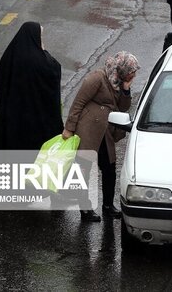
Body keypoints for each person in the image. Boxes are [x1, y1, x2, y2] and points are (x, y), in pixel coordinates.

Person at [62, 51, 140, 222]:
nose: (134, 74)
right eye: (131, 70)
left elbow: (123, 107)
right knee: (84, 169)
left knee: (109, 167)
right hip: (88, 129)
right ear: (122, 68)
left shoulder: (120, 82)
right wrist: (69, 128)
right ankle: (85, 208)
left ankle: (108, 206)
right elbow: (78, 103)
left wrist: (126, 89)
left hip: (106, 132)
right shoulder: (98, 77)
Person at [0, 21, 64, 154]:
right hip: (36, 120)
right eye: (41, 36)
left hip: (11, 118)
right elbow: (54, 71)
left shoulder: (9, 56)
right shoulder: (42, 61)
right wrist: (44, 51)